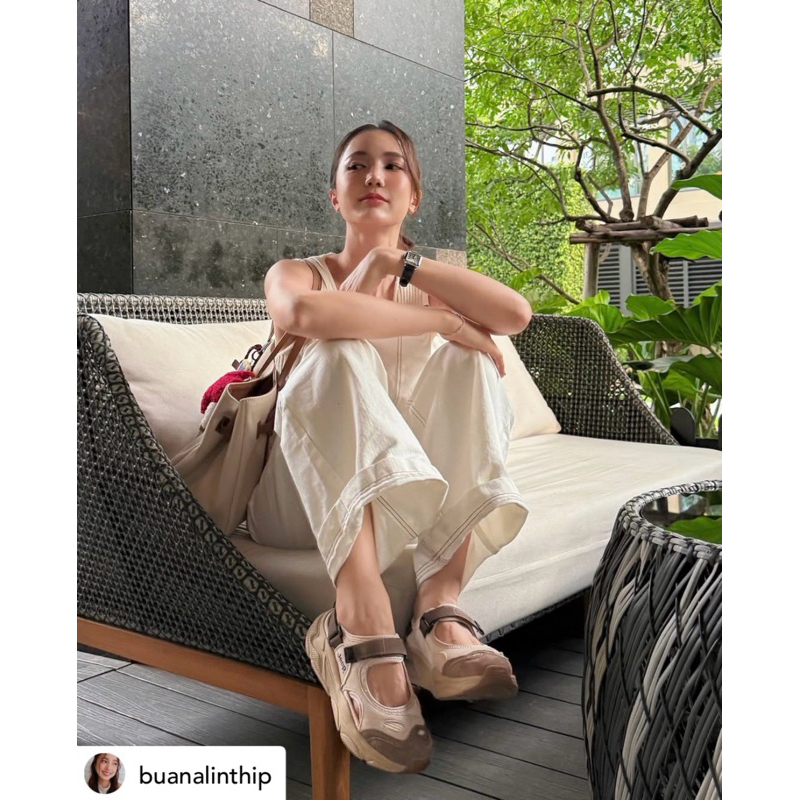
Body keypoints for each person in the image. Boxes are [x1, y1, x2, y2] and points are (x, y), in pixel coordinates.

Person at [247, 120, 531, 774]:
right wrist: (442, 320)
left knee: (472, 362)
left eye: (392, 165)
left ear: (414, 198)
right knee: (338, 349)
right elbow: (308, 316)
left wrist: (396, 264)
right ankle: (360, 615)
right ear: (334, 195)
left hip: (403, 506)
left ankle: (438, 609)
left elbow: (515, 316)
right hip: (299, 501)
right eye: (356, 165)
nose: (373, 176)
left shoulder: (428, 277)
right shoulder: (298, 274)